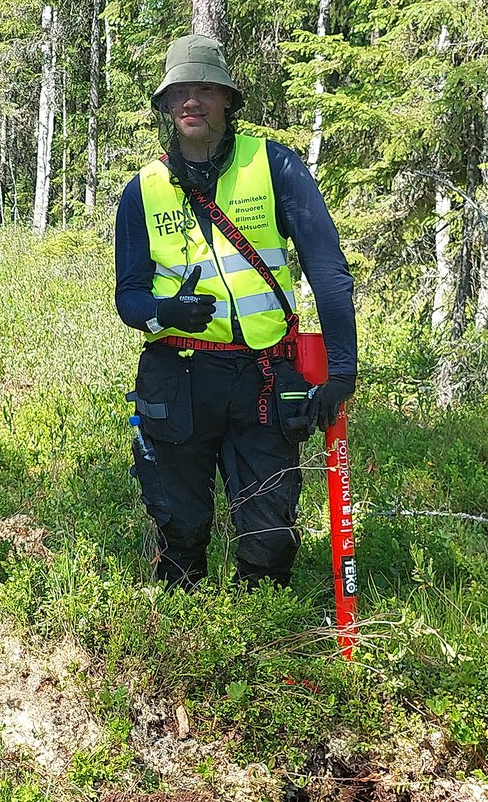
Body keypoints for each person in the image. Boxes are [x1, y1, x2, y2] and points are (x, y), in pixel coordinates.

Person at [115, 34, 357, 589]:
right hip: (178, 377)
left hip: (264, 375)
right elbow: (129, 297)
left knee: (271, 537)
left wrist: (342, 371)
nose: (192, 102)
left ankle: (263, 625)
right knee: (180, 527)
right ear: (165, 105)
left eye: (205, 89)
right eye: (180, 92)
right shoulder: (143, 190)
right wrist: (166, 312)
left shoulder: (274, 166)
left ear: (227, 98)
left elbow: (328, 271)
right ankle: (183, 627)